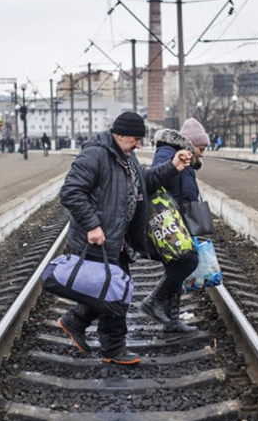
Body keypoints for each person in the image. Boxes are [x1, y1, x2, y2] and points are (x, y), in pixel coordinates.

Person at [58, 111, 192, 365]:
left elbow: (146, 181)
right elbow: (71, 192)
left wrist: (173, 166)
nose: (139, 144)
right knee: (116, 292)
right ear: (119, 136)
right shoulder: (95, 155)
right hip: (98, 240)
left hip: (116, 240)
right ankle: (111, 347)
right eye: (135, 139)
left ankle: (79, 323)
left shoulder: (126, 158)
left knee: (114, 290)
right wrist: (92, 225)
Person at [144, 117, 210, 334]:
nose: (202, 153)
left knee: (178, 267)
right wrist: (173, 166)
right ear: (190, 143)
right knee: (186, 262)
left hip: (180, 221)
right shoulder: (167, 152)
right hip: (168, 222)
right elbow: (153, 178)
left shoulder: (188, 159)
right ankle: (154, 302)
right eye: (201, 148)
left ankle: (171, 321)